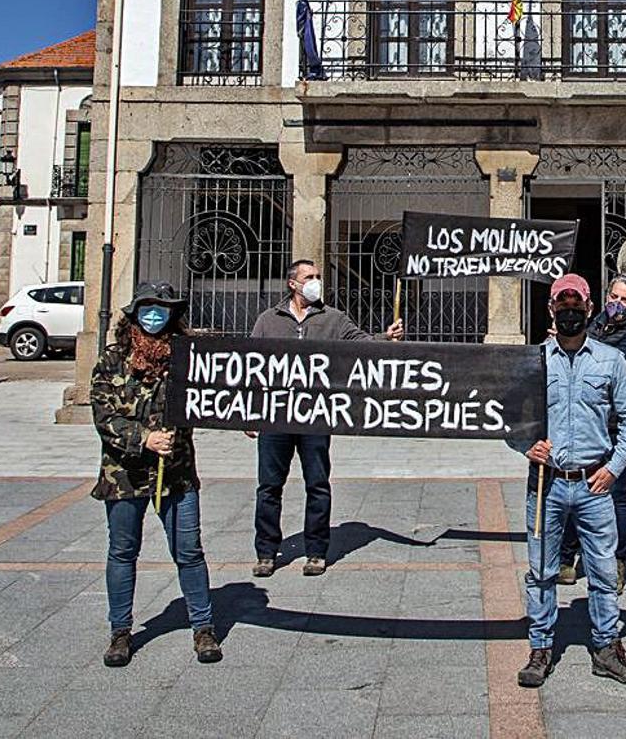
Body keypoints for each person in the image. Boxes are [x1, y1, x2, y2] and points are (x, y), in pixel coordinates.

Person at [518, 273, 626, 689]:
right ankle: (540, 647)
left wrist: (613, 468)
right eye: (563, 303)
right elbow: (511, 416)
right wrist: (524, 445)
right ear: (551, 309)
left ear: (588, 309)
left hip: (593, 483)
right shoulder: (534, 359)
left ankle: (607, 646)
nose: (570, 310)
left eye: (577, 304)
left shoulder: (609, 360)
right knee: (541, 569)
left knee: (604, 569)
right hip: (547, 483)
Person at [91, 281, 221, 668]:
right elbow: (104, 417)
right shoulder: (112, 360)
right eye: (147, 307)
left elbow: (218, 394)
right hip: (124, 475)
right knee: (122, 550)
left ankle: (203, 627)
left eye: (162, 307)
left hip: (176, 474)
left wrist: (245, 417)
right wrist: (144, 438)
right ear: (134, 313)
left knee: (189, 551)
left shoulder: (187, 358)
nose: (154, 315)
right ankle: (120, 631)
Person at [250, 259, 397, 577]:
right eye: (309, 277)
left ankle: (316, 550)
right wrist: (250, 412)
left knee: (317, 484)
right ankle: (266, 551)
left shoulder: (333, 319)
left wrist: (386, 338)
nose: (316, 281)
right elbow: (253, 366)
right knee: (269, 486)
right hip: (276, 417)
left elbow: (363, 345)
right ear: (293, 283)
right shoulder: (268, 321)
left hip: (316, 416)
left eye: (318, 276)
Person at [558, 273, 626, 594]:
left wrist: (572, 340)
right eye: (613, 297)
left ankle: (616, 562)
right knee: (574, 488)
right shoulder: (592, 325)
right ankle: (566, 558)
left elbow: (609, 364)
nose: (617, 304)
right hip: (587, 422)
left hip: (619, 426)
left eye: (625, 300)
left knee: (616, 494)